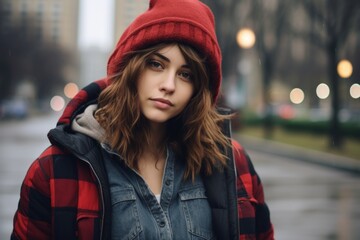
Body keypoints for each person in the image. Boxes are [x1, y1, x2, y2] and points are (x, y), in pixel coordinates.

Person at [11, 0, 274, 239]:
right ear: (131, 69)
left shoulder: (231, 163)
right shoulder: (56, 170)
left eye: (186, 74)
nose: (168, 85)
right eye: (156, 65)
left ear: (199, 88)